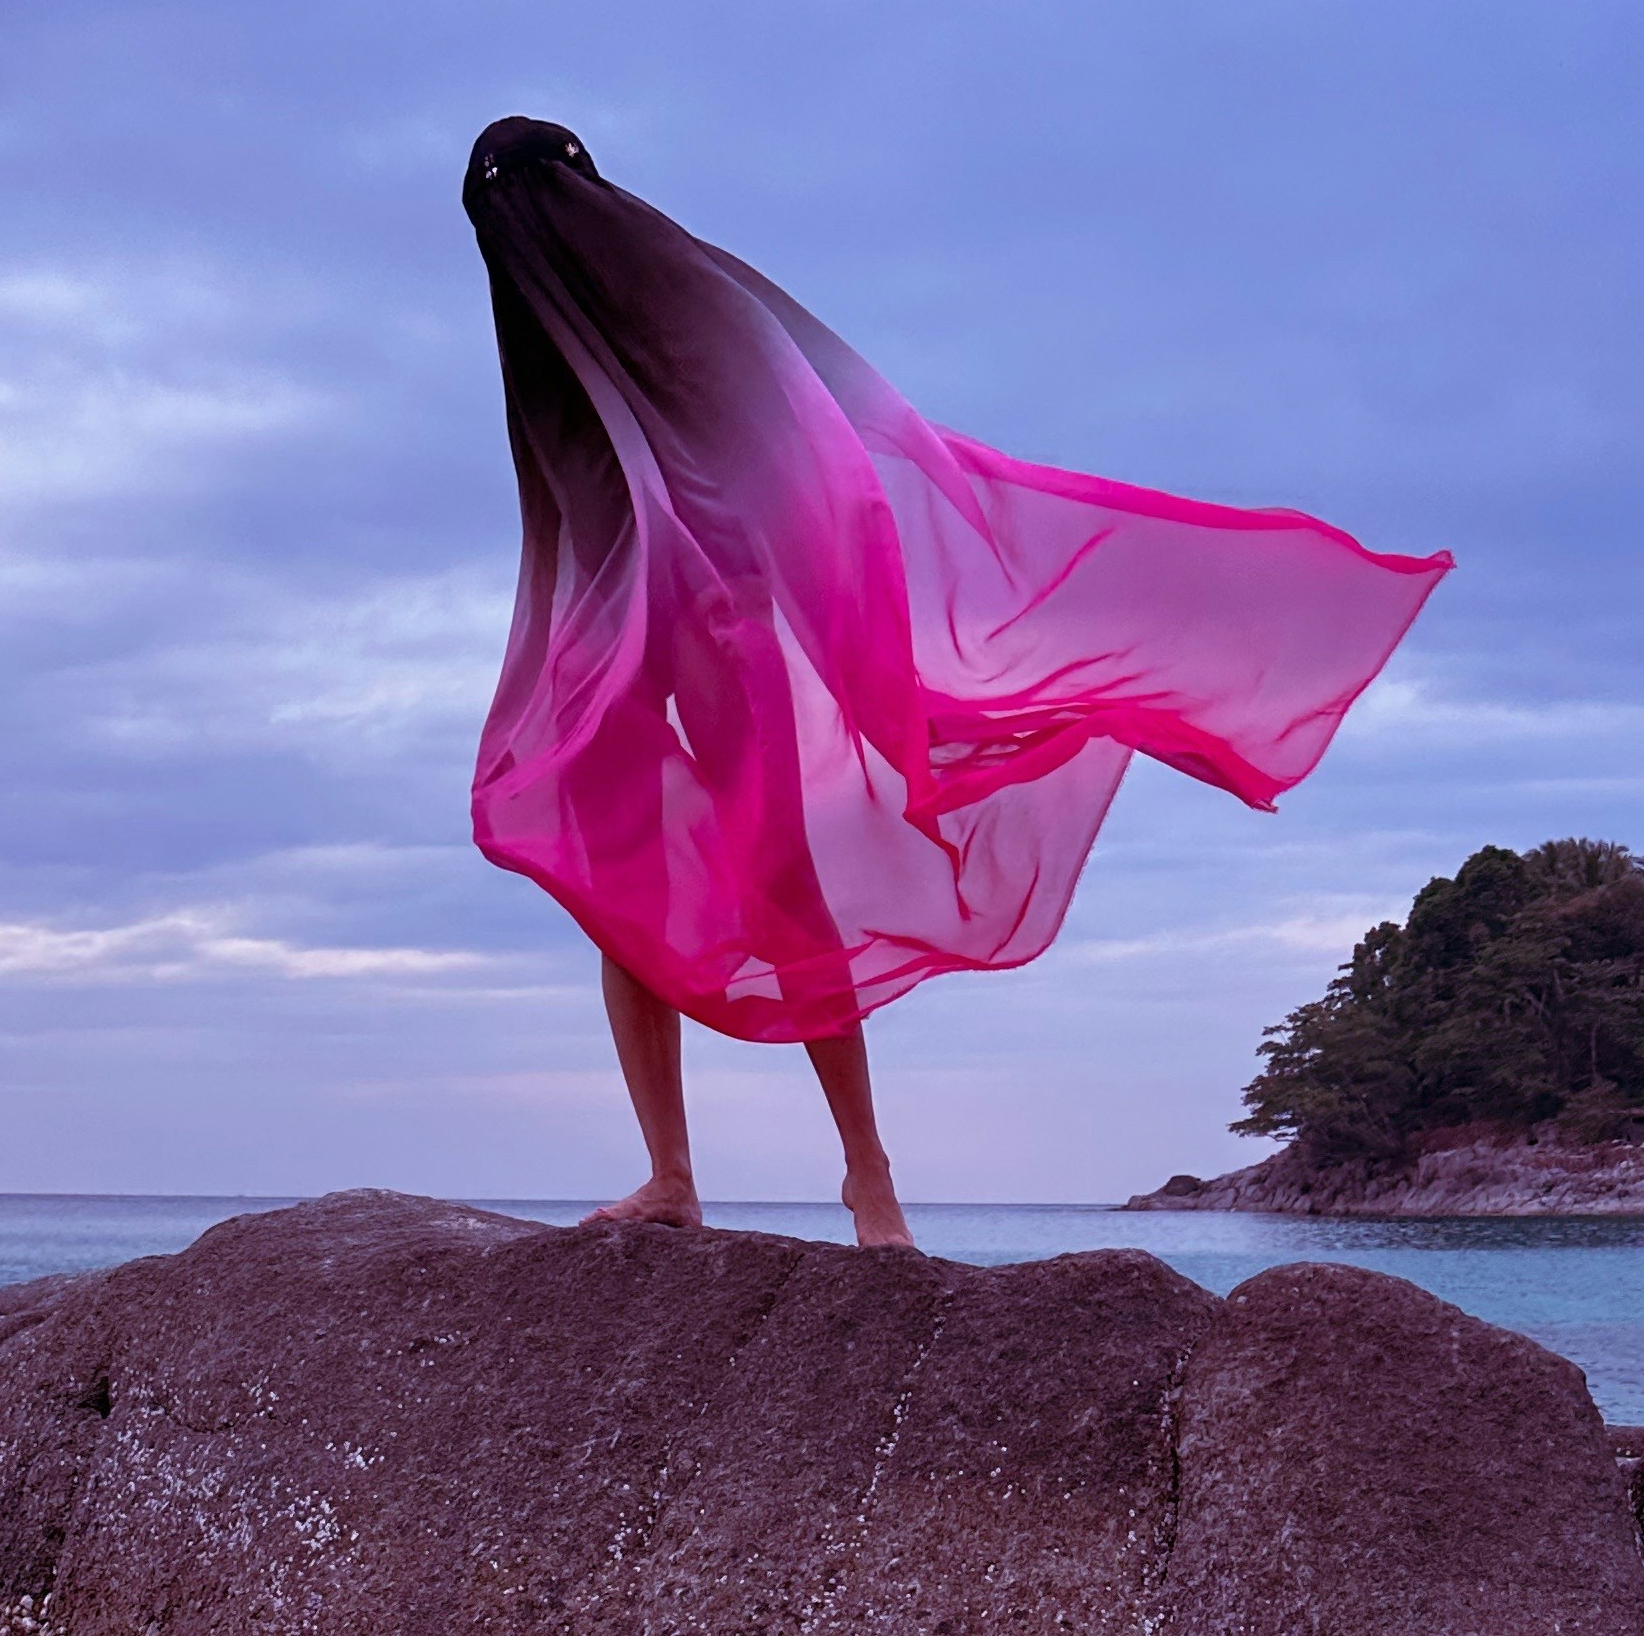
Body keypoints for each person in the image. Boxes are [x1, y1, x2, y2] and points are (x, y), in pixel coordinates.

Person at [461, 115, 1450, 1247]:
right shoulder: (537, 347)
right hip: (615, 641)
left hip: (724, 615)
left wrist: (823, 613)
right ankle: (672, 1176)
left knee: (782, 877)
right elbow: (580, 520)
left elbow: (824, 446)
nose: (518, 226)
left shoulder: (687, 312)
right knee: (619, 893)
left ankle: (866, 1173)